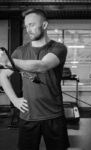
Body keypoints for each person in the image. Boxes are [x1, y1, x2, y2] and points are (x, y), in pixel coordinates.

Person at [0, 8, 70, 150]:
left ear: (44, 25)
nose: (28, 29)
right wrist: (14, 100)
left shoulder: (58, 48)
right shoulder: (20, 51)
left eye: (32, 24)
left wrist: (10, 62)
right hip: (28, 116)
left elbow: (42, 66)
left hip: (54, 116)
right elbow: (2, 75)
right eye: (26, 26)